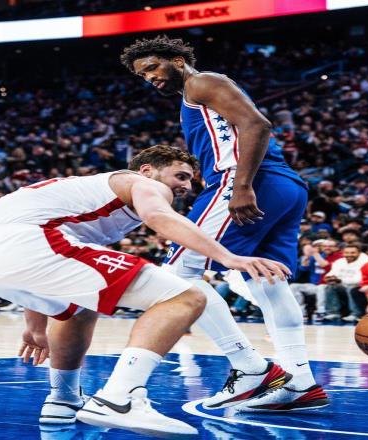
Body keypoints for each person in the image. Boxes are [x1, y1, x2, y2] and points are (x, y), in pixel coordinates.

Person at [0, 146, 290, 436]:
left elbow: (35, 259)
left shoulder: (85, 194)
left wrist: (35, 326)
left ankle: (64, 400)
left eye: (190, 180)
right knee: (186, 296)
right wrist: (228, 257)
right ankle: (120, 398)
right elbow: (157, 215)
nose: (187, 186)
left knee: (78, 310)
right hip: (26, 242)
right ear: (147, 170)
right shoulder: (141, 183)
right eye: (181, 176)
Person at [121, 35, 329, 412]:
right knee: (267, 280)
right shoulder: (197, 93)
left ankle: (248, 368)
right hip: (284, 186)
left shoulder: (201, 82)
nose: (149, 77)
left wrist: (242, 185)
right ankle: (300, 382)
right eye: (142, 75)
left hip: (243, 180)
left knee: (178, 274)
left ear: (177, 60)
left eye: (152, 67)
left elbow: (257, 125)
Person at [323, 244, 368, 322]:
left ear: (359, 253)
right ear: (343, 253)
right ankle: (333, 313)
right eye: (346, 252)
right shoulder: (339, 261)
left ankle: (355, 314)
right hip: (343, 286)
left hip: (359, 287)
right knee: (331, 286)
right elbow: (332, 273)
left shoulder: (365, 262)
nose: (349, 255)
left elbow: (358, 280)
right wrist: (329, 277)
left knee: (351, 287)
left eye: (353, 253)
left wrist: (340, 280)